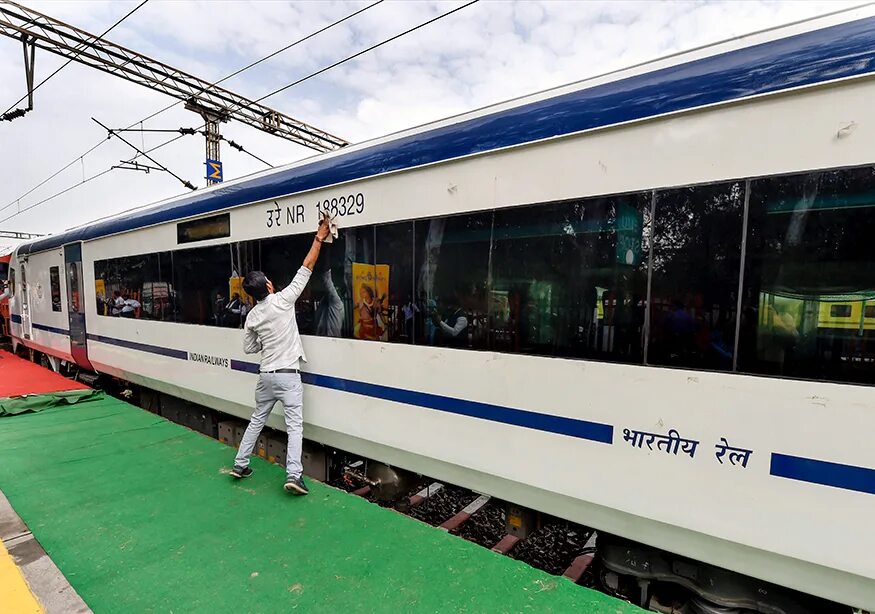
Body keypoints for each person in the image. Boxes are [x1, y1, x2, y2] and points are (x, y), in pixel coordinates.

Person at [230, 219, 332, 495]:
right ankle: (293, 476)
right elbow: (306, 267)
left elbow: (249, 349)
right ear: (269, 285)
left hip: (265, 377)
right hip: (288, 375)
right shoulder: (284, 300)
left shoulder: (252, 316)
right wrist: (319, 238)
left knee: (257, 419)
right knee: (294, 426)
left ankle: (240, 465)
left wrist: (267, 340)